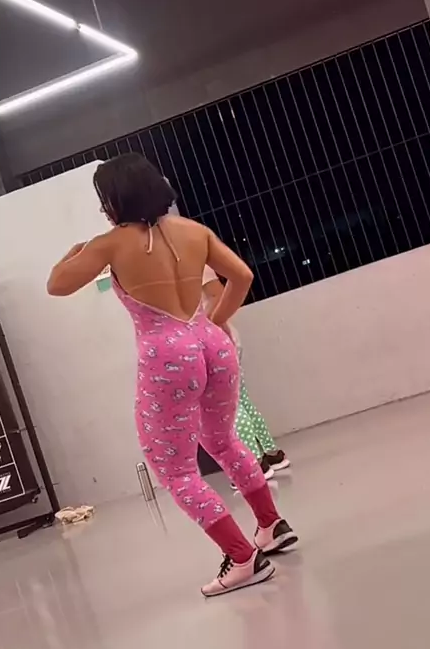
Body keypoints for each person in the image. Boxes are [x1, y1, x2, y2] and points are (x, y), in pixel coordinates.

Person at [47, 154, 297, 596]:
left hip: (167, 357)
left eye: (103, 198)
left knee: (175, 470)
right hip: (211, 343)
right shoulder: (193, 231)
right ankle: (271, 525)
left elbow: (57, 285)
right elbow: (241, 275)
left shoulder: (109, 244)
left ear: (115, 200)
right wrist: (215, 323)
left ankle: (243, 558)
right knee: (224, 441)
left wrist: (72, 254)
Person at [202, 266, 290, 482]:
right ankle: (271, 454)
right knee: (241, 400)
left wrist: (207, 329)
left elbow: (217, 295)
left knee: (230, 405)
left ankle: (255, 464)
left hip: (214, 343)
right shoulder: (192, 261)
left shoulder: (190, 264)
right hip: (222, 340)